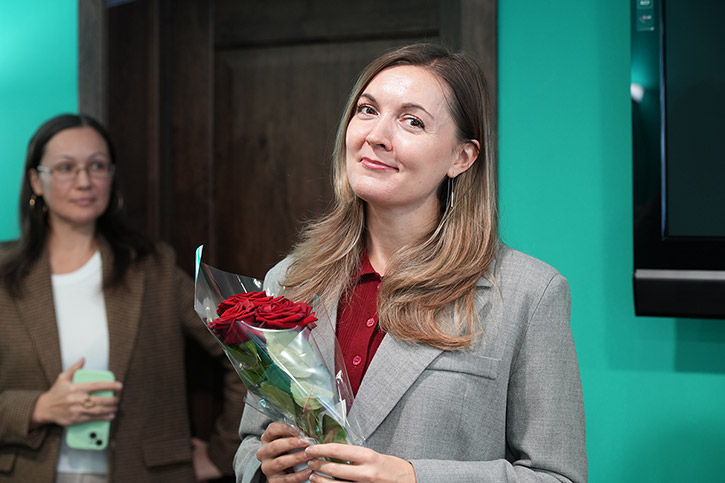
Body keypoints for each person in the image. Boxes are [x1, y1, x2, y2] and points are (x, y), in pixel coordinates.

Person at [233, 43, 587, 483]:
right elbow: (251, 443)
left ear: (461, 157)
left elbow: (558, 477)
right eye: (367, 110)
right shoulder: (288, 280)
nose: (376, 136)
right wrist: (265, 468)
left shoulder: (528, 294)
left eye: (412, 121)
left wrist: (412, 477)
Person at [0, 114, 246, 482]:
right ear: (36, 180)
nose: (84, 181)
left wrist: (224, 454)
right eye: (66, 167)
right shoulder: (4, 275)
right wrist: (38, 408)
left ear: (111, 175)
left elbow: (245, 349)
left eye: (97, 165)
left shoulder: (152, 268)